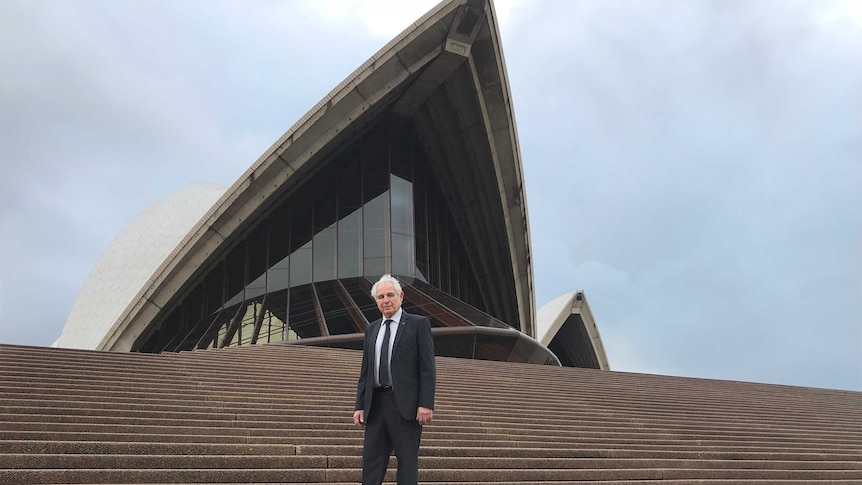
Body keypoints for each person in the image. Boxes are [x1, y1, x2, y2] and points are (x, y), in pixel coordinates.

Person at [353, 274, 436, 485]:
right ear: (376, 301)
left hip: (405, 406)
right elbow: (366, 372)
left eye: (390, 295)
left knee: (407, 462)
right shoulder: (371, 329)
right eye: (380, 296)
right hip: (376, 405)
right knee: (371, 462)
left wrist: (425, 404)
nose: (386, 300)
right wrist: (360, 405)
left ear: (401, 296)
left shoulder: (418, 324)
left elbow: (427, 368)